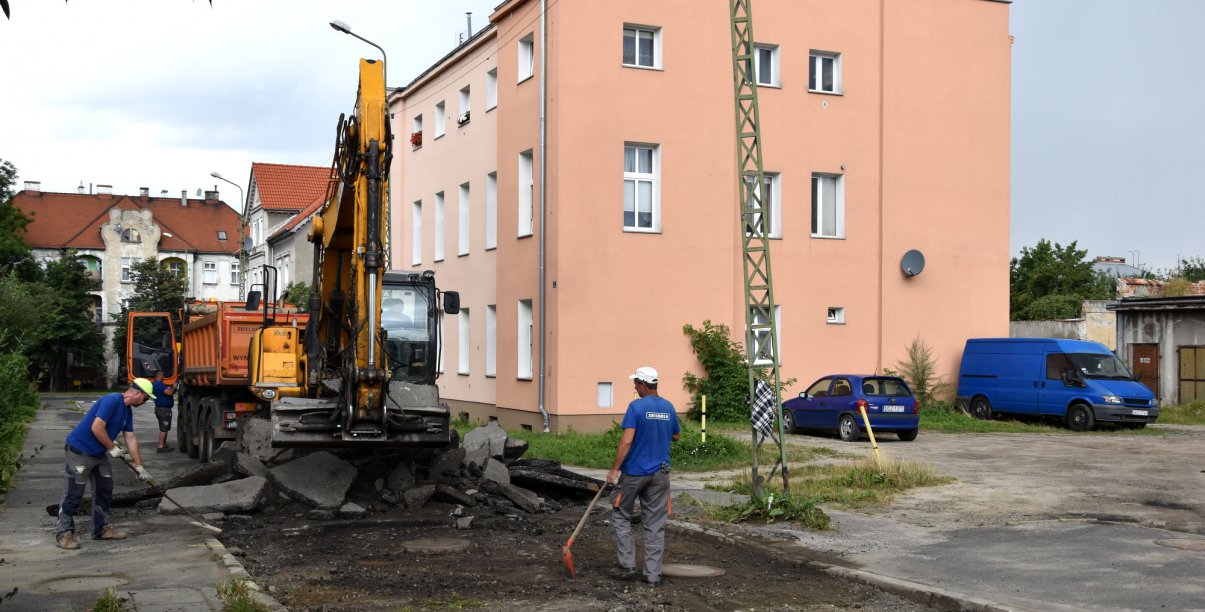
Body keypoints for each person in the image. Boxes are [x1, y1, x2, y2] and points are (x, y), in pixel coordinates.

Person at [54, 378, 155, 550]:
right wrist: (112, 447)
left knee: (104, 490)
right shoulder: (112, 400)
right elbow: (97, 427)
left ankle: (100, 530)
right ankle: (63, 533)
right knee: (74, 494)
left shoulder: (127, 411)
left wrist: (139, 466)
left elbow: (130, 437)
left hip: (98, 454)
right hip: (80, 452)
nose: (145, 402)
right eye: (146, 399)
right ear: (138, 393)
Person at [607, 366, 681, 586]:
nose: (635, 388)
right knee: (655, 524)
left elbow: (627, 440)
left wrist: (614, 470)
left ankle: (627, 566)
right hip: (660, 475)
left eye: (636, 384)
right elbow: (676, 435)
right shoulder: (668, 407)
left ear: (643, 384)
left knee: (621, 515)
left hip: (633, 474)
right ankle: (652, 575)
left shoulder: (636, 407)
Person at [150, 370, 177, 452]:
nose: (164, 377)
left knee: (164, 427)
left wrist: (172, 389)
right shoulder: (159, 385)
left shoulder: (155, 384)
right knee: (164, 428)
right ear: (159, 376)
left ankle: (164, 445)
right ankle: (161, 446)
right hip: (163, 409)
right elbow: (169, 393)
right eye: (163, 375)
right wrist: (174, 387)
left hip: (160, 409)